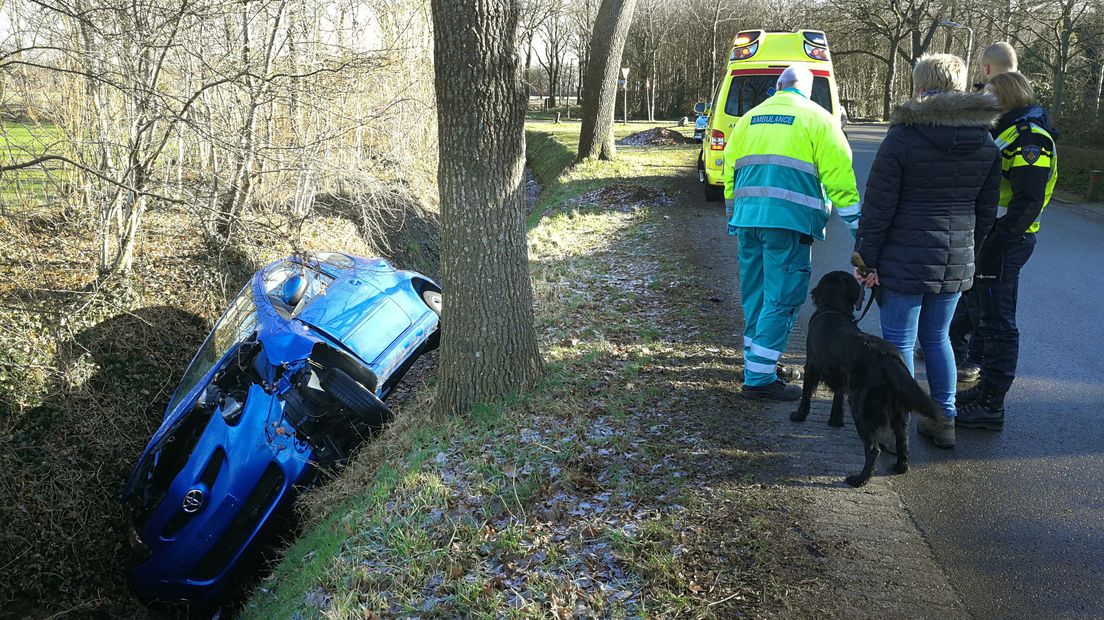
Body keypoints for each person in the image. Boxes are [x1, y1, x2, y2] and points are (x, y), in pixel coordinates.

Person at [853, 54, 1002, 448]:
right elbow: (986, 214)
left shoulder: (902, 138)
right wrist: (968, 251)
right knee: (938, 338)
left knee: (899, 342)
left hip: (903, 258)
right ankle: (944, 420)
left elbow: (878, 207)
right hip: (955, 258)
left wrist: (865, 258)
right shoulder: (986, 142)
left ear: (920, 86)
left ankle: (893, 421)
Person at [723, 65, 861, 401]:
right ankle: (758, 379)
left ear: (778, 85)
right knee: (781, 298)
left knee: (755, 295)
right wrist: (860, 230)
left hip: (747, 220)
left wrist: (733, 215)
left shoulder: (749, 119)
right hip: (789, 223)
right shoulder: (819, 120)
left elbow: (729, 172)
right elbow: (840, 181)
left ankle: (756, 363)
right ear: (808, 90)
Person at [954, 72, 1058, 431]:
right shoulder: (1007, 131)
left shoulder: (1030, 139)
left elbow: (1028, 201)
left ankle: (990, 405)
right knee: (986, 318)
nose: (984, 101)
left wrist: (995, 241)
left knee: (998, 323)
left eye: (989, 95)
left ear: (1007, 97)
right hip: (995, 238)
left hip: (1007, 241)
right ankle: (985, 393)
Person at [952, 42, 1021, 382]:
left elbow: (1026, 195)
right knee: (977, 292)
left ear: (987, 70)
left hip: (1000, 228)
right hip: (993, 225)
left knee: (995, 310)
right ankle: (956, 343)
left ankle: (983, 380)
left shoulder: (1017, 124)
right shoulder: (1022, 114)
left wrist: (999, 239)